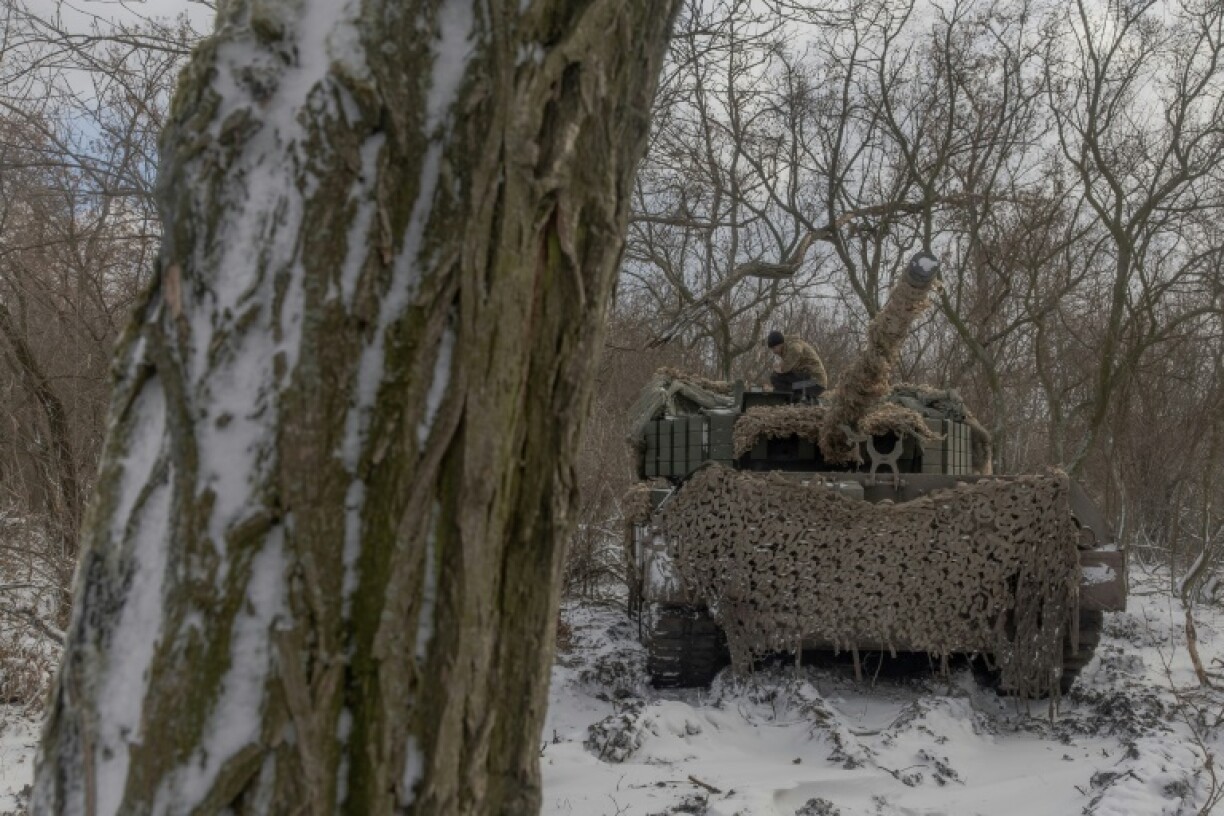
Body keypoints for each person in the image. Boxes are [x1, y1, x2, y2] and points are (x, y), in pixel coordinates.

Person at [766, 330, 827, 394]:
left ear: (780, 344)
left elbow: (784, 369)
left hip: (814, 383)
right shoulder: (786, 347)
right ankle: (792, 397)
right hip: (811, 382)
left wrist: (778, 368)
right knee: (779, 378)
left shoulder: (793, 348)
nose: (774, 351)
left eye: (774, 348)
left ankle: (787, 397)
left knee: (776, 377)